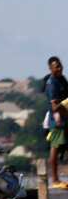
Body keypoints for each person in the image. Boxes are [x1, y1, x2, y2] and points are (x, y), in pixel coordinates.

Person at [43, 56, 68, 188]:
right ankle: (55, 180)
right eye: (56, 67)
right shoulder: (52, 83)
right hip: (57, 122)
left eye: (60, 66)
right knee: (55, 148)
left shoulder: (62, 79)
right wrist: (66, 102)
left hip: (65, 120)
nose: (59, 68)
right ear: (50, 68)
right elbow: (54, 107)